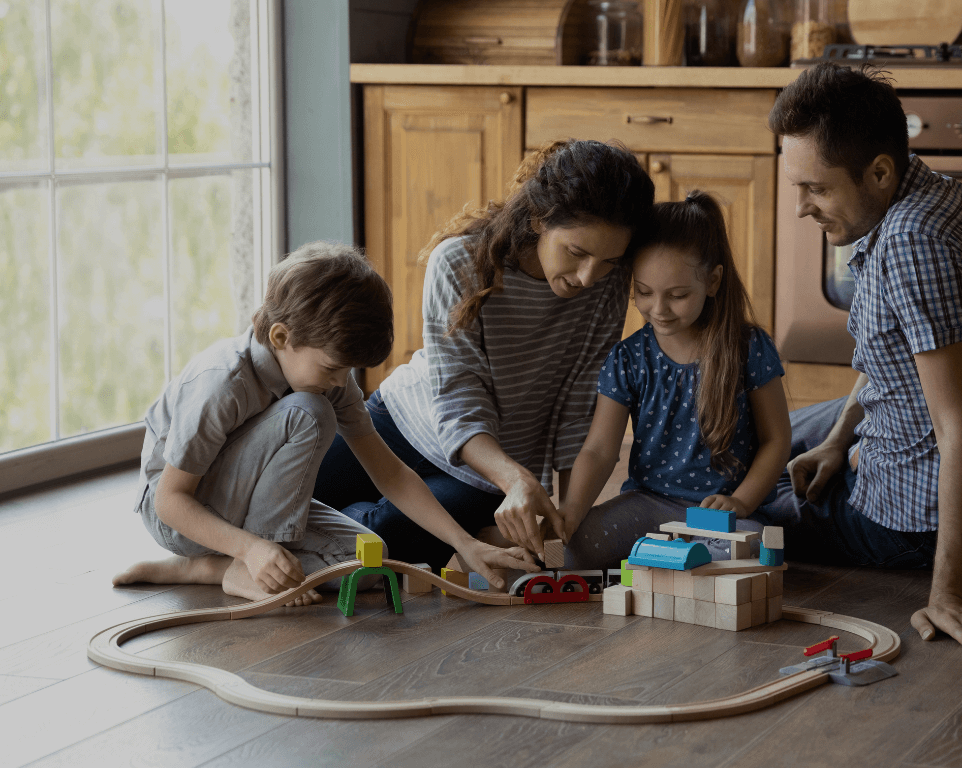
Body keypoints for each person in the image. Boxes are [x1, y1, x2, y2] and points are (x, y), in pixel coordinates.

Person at [762, 63, 962, 651]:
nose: (802, 208)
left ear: (879, 172)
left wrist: (948, 598)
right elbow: (894, 359)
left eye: (816, 188)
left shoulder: (913, 244)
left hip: (913, 524)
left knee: (729, 491)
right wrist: (838, 440)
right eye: (796, 186)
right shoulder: (937, 190)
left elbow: (961, 427)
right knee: (771, 435)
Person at [114, 243, 535, 604]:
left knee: (370, 561)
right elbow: (170, 501)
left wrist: (466, 543)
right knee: (309, 413)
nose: (340, 381)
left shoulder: (323, 375)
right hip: (184, 515)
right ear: (281, 337)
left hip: (242, 512)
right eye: (333, 367)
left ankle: (207, 569)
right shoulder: (222, 383)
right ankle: (244, 562)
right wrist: (254, 548)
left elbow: (388, 471)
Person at [313, 140, 656, 575]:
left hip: (484, 474)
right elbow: (459, 398)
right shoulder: (459, 262)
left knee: (377, 549)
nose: (589, 277)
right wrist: (516, 480)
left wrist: (567, 517)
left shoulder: (606, 285)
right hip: (397, 423)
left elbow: (578, 407)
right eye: (576, 252)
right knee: (283, 500)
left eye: (608, 260)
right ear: (538, 219)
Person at [555, 191, 791, 569]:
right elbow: (599, 451)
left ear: (713, 282)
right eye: (644, 293)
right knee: (564, 554)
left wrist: (742, 502)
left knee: (757, 550)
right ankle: (662, 562)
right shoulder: (628, 358)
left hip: (723, 518)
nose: (659, 310)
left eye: (678, 295)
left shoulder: (750, 347)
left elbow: (777, 440)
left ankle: (659, 563)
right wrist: (568, 516)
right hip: (645, 506)